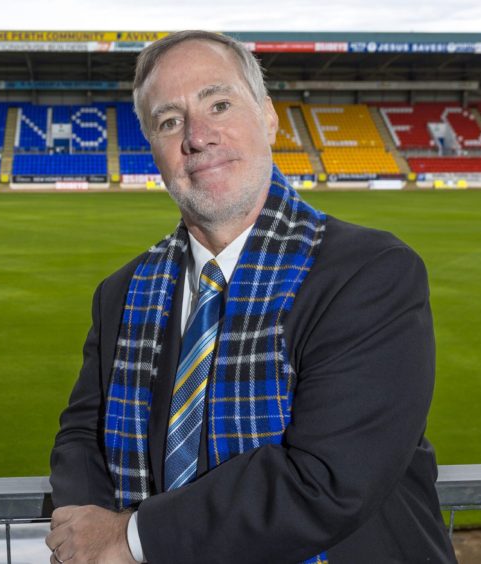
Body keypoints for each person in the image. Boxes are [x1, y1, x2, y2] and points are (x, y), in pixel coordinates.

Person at [46, 30, 455, 564]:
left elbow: (327, 479)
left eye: (219, 104)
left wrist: (130, 539)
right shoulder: (122, 293)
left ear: (267, 117)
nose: (198, 136)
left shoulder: (371, 275)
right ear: (153, 149)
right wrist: (91, 538)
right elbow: (82, 436)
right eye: (169, 121)